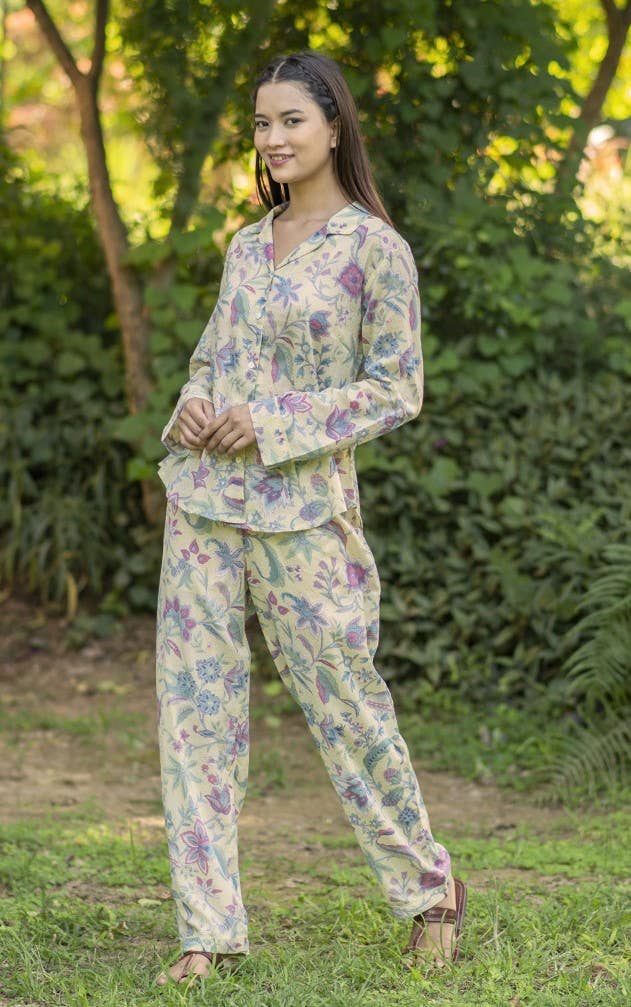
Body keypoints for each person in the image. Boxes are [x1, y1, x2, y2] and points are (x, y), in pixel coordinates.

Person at [154, 50, 466, 987]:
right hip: (203, 501)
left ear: (334, 126)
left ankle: (429, 890)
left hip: (304, 512)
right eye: (262, 123)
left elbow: (396, 388)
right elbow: (210, 359)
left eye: (291, 119)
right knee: (194, 712)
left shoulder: (376, 250)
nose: (274, 138)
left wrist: (275, 421)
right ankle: (207, 930)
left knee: (346, 703)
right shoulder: (246, 246)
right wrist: (194, 405)